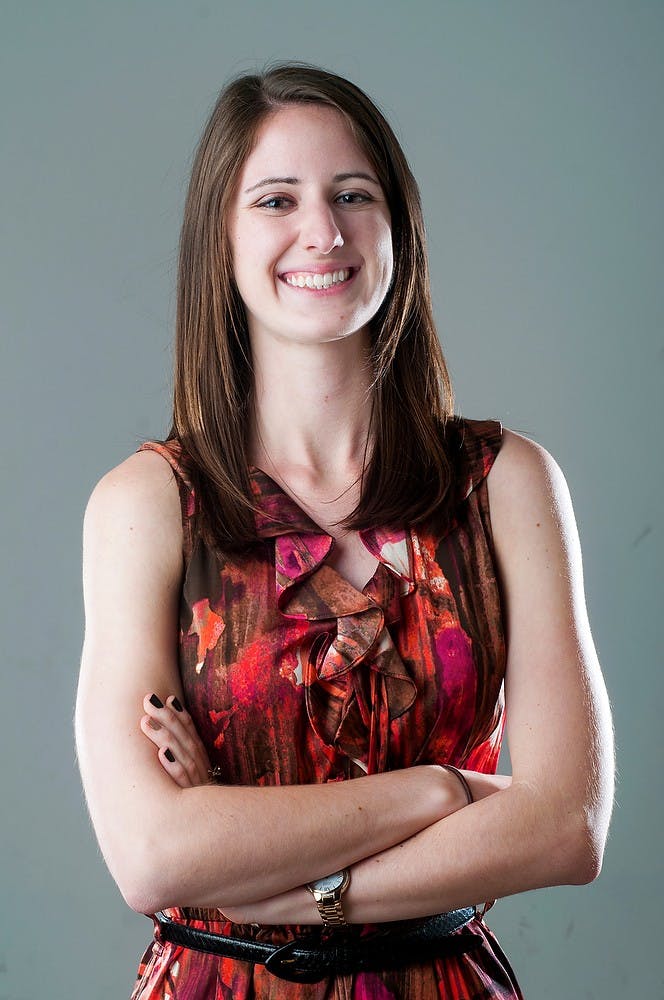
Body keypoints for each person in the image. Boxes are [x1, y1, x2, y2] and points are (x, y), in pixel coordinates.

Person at [75, 63, 615, 999]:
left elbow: (566, 827)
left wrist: (257, 866)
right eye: (277, 199)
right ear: (224, 240)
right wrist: (439, 791)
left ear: (396, 225)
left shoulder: (506, 484)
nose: (322, 232)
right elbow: (154, 857)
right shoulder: (149, 504)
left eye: (352, 195)